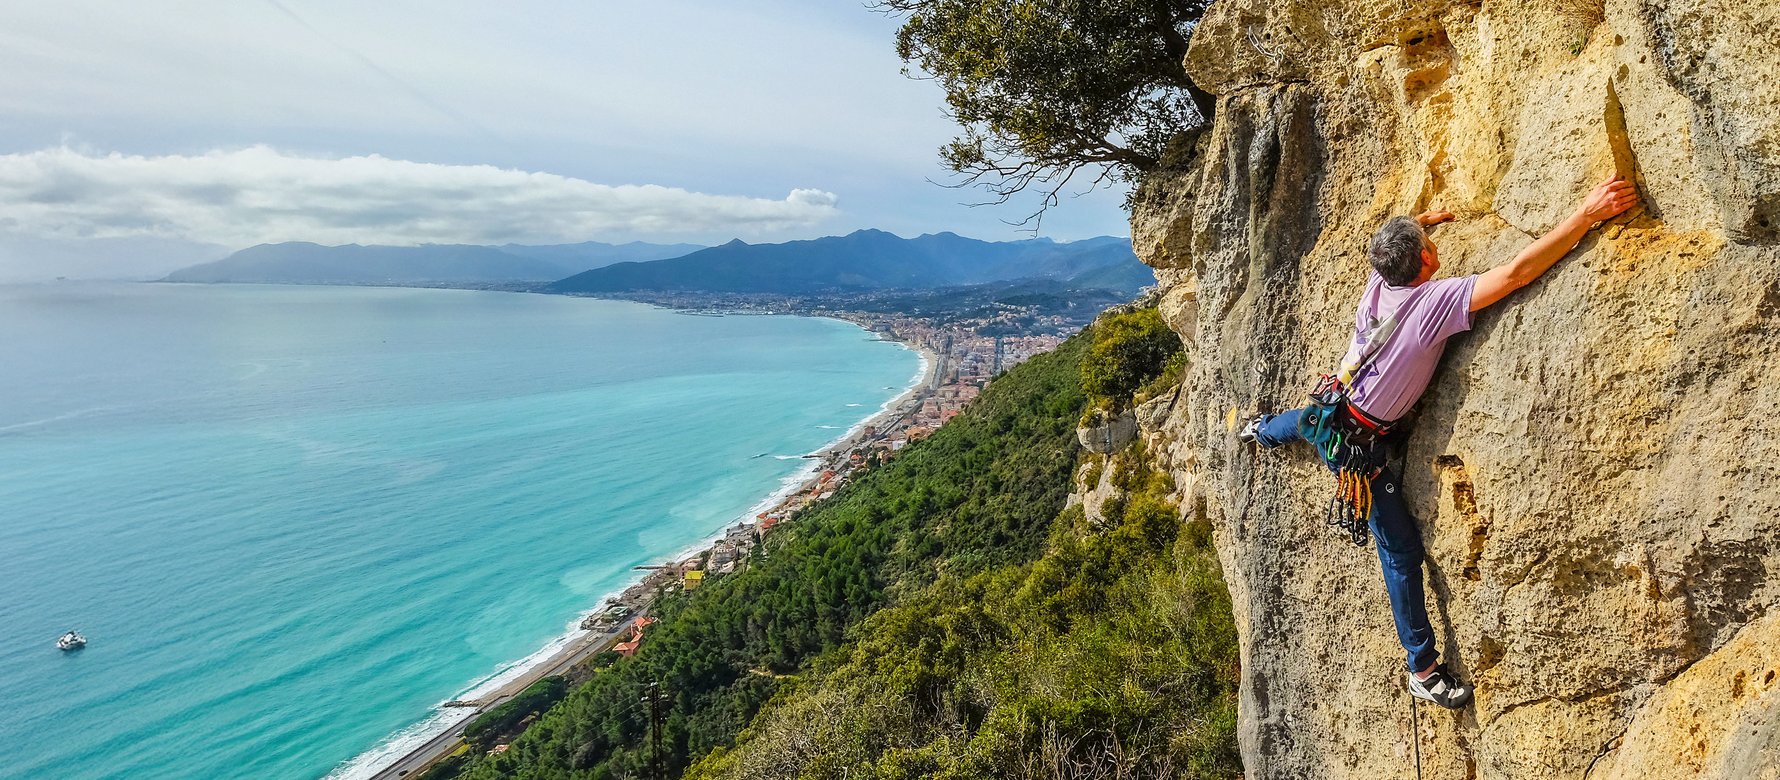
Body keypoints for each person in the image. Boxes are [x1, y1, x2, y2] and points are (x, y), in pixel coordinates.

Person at [1239, 174, 1640, 709]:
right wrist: (1588, 214)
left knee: (1303, 422)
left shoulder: (1381, 283)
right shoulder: (1433, 305)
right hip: (1362, 449)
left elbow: (1387, 247)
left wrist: (1414, 227)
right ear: (1425, 264)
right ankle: (1422, 669)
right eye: (1428, 247)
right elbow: (1519, 272)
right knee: (1401, 555)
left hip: (1332, 406)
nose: (1434, 249)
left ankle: (1259, 429)